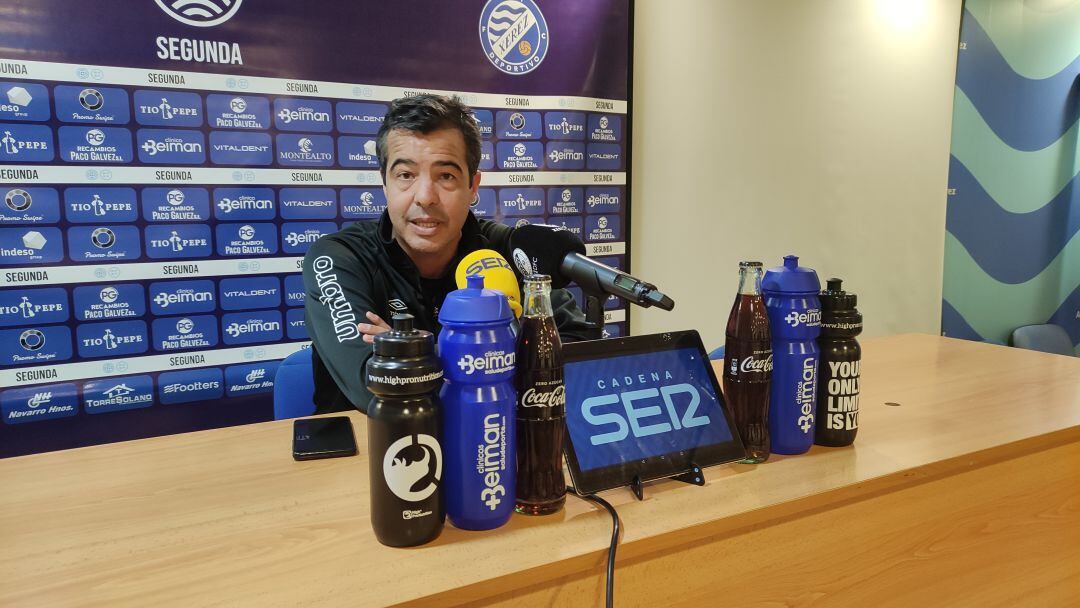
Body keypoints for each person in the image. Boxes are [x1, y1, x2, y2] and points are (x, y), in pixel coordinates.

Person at [303, 94, 596, 414]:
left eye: (446, 176)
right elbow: (374, 384)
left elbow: (580, 355)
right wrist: (499, 353)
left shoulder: (506, 251)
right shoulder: (340, 258)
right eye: (406, 175)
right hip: (370, 441)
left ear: (473, 186)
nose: (425, 197)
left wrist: (411, 353)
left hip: (494, 437)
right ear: (384, 184)